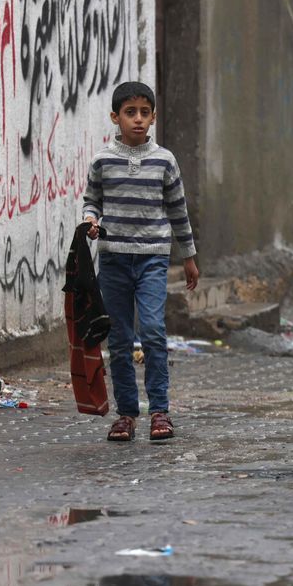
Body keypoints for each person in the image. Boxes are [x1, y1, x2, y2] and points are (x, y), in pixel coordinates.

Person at [83, 81, 200, 443]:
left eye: (144, 113)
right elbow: (92, 200)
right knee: (118, 339)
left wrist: (189, 256)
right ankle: (127, 414)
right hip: (114, 260)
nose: (137, 119)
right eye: (130, 113)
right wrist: (90, 219)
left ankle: (160, 410)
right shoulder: (103, 160)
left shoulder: (165, 160)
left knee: (151, 330)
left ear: (153, 117)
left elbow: (178, 210)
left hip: (152, 258)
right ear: (115, 117)